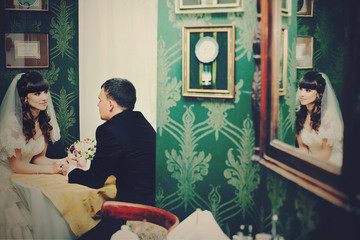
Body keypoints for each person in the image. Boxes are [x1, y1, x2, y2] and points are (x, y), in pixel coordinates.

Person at [61, 78, 156, 240]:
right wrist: (88, 164)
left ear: (110, 104)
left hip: (131, 214)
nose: (98, 104)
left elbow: (94, 181)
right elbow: (128, 160)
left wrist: (70, 171)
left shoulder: (108, 130)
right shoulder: (141, 121)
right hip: (153, 208)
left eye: (100, 99)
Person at [0, 72, 67, 239]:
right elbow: (16, 166)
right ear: (24, 97)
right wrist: (51, 170)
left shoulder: (44, 120)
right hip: (6, 178)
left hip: (26, 175)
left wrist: (64, 161)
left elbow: (39, 159)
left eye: (45, 92)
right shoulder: (13, 121)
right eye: (37, 93)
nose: (44, 97)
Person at [295, 71, 343, 167]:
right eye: (301, 89)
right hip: (311, 160)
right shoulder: (300, 115)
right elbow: (302, 147)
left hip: (330, 162)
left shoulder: (328, 117)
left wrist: (305, 163)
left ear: (318, 94)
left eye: (308, 90)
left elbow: (326, 153)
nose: (302, 94)